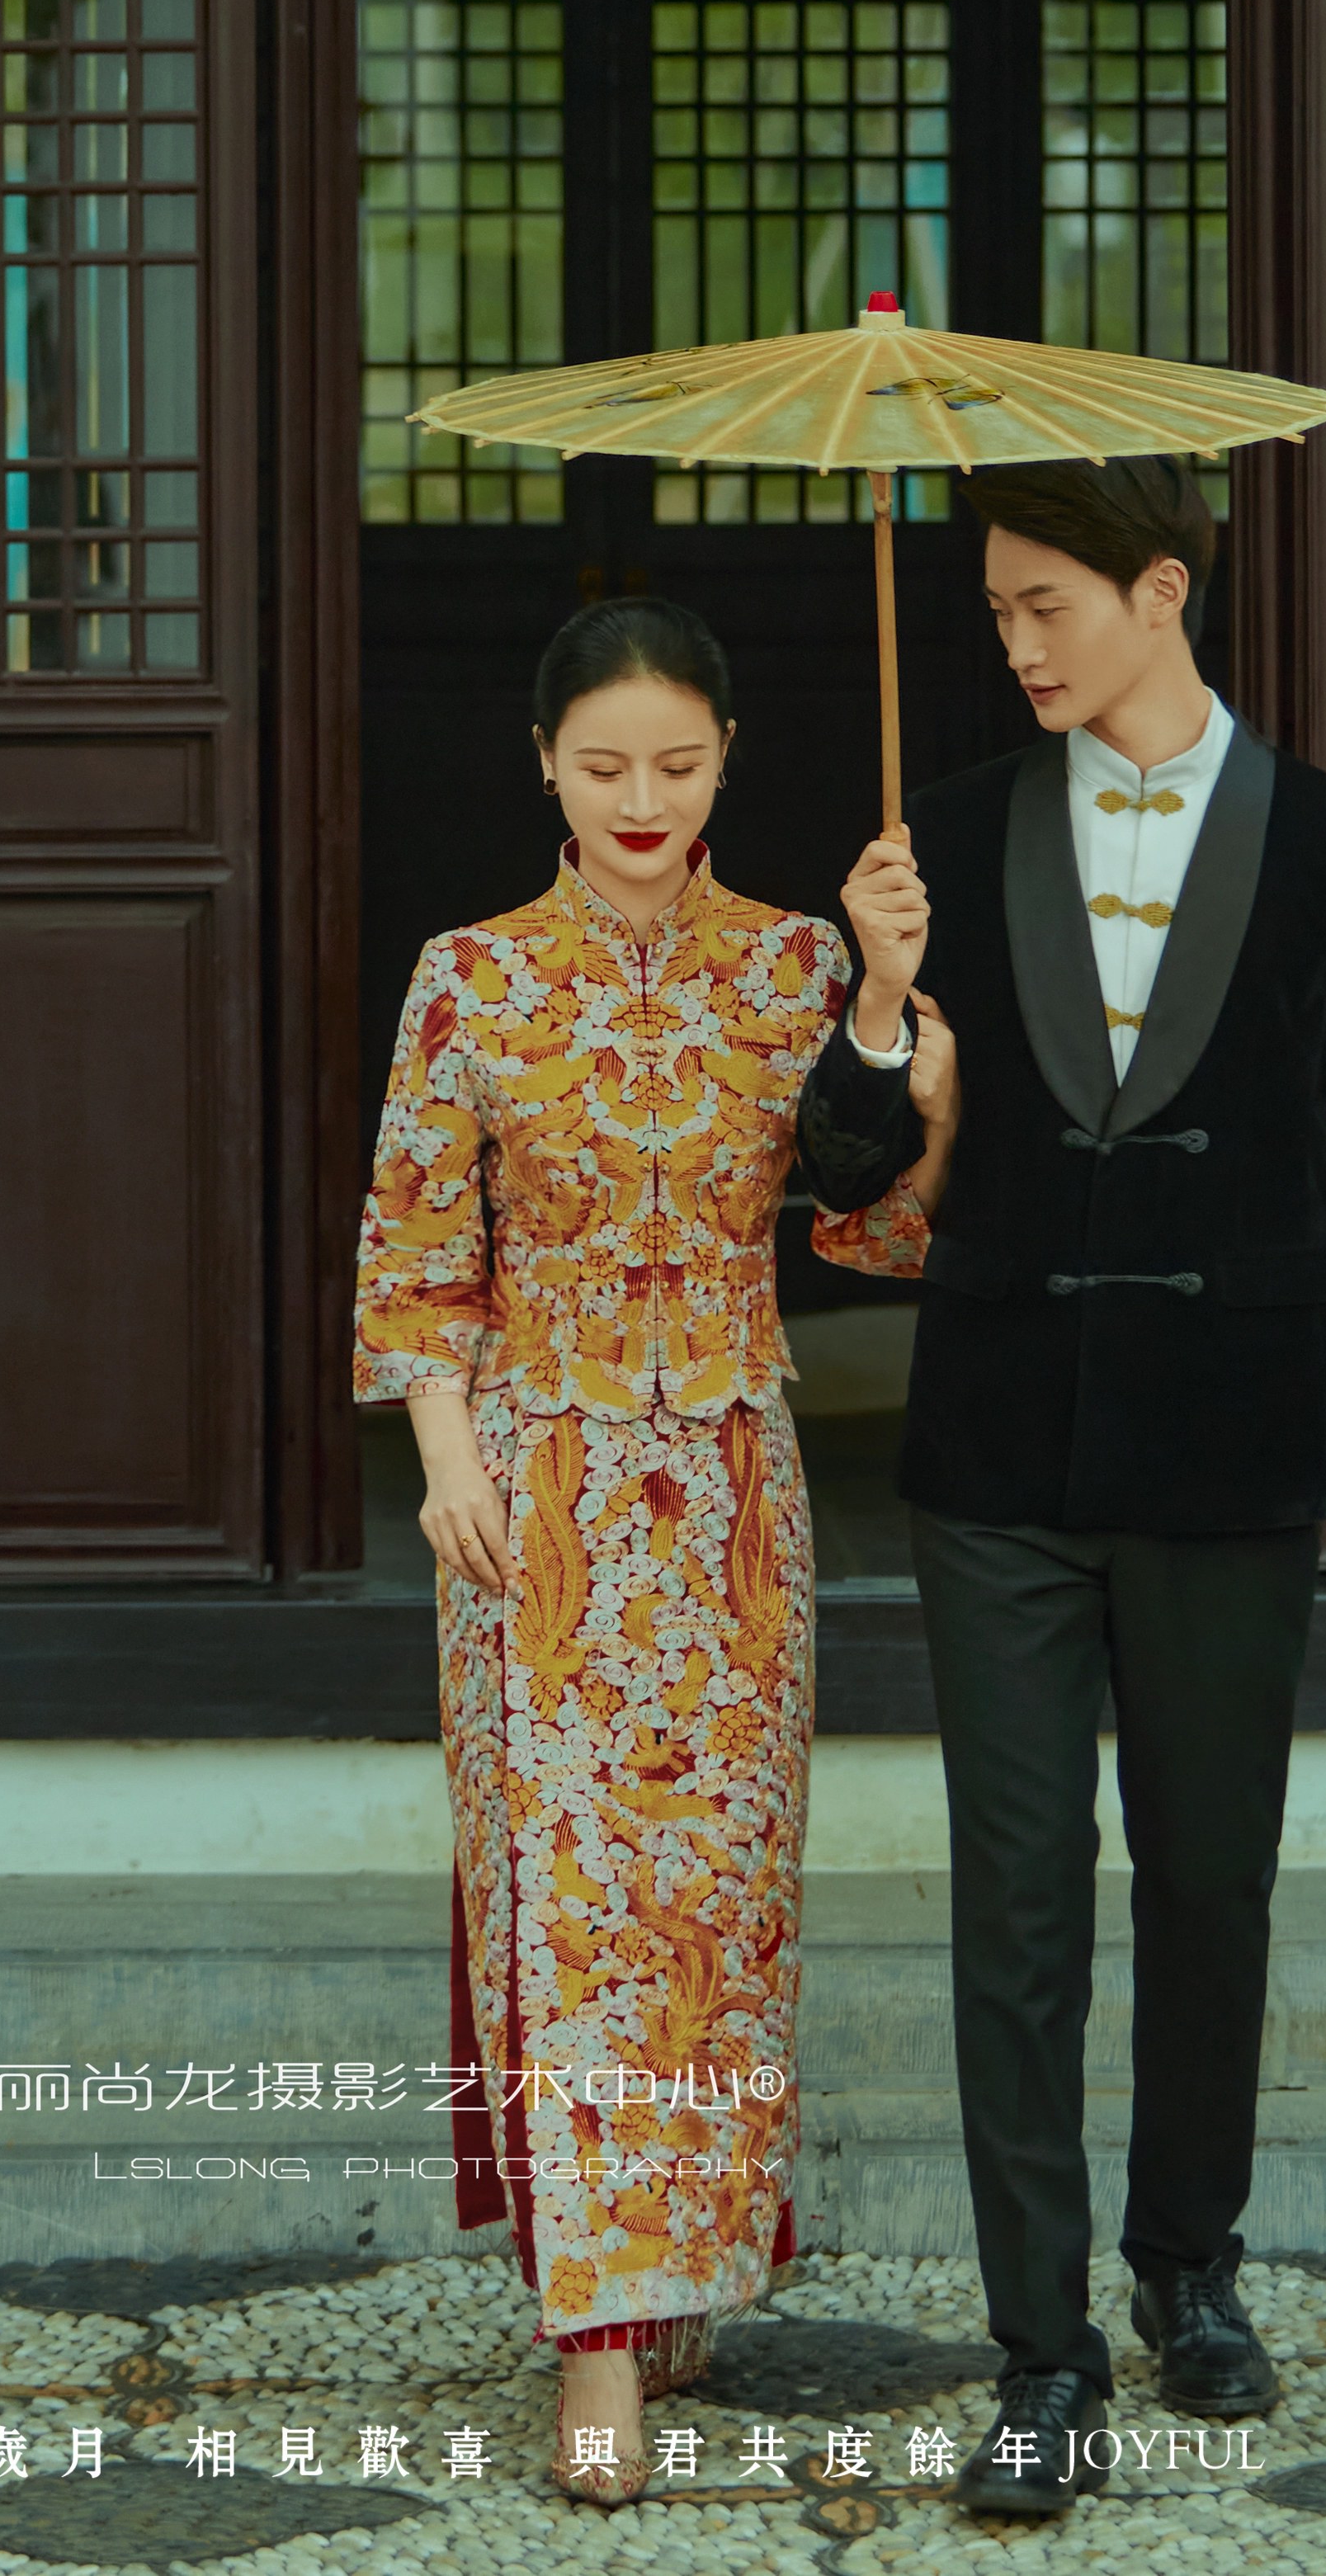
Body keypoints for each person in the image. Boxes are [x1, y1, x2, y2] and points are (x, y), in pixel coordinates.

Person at [795, 455, 1326, 2526]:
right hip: (997, 1446)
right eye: (992, 608)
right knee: (1011, 1902)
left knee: (1204, 1876)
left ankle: (1189, 2262)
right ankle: (1038, 2350)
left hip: (1229, 1449)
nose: (1011, 642)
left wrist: (1262, 1290)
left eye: (1044, 604)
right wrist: (876, 993)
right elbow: (837, 1170)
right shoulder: (941, 838)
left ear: (1158, 590)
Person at [354, 594, 956, 2507]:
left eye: (676, 763)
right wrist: (442, 1454)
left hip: (729, 1497)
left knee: (712, 1913)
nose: (640, 796)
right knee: (569, 1907)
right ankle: (594, 2341)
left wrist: (898, 1031)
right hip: (531, 1494)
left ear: (723, 763)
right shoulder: (468, 976)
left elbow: (874, 1232)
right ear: (542, 760)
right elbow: (413, 1252)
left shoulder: (795, 962)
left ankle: (675, 2269)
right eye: (604, 762)